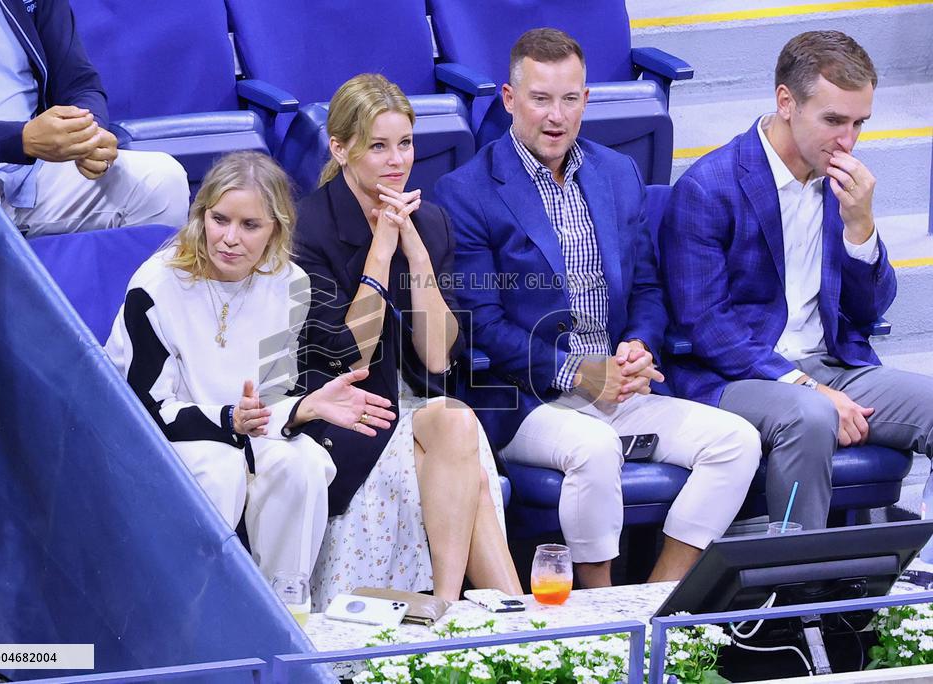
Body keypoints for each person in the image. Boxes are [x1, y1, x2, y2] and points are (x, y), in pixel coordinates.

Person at [436, 29, 762, 586]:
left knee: (737, 441)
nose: (556, 115)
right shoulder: (466, 191)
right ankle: (601, 611)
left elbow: (648, 288)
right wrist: (579, 373)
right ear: (510, 100)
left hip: (619, 386)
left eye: (569, 98)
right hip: (526, 399)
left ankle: (661, 600)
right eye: (540, 99)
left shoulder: (618, 173)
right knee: (595, 447)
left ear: (587, 99)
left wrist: (638, 345)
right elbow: (482, 327)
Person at [660, 30, 933, 531]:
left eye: (859, 123)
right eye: (833, 121)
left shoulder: (843, 183)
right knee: (810, 416)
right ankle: (796, 595)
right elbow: (705, 326)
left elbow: (871, 310)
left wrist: (861, 228)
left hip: (833, 363)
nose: (848, 141)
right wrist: (805, 385)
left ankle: (924, 577)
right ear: (786, 101)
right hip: (736, 377)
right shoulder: (708, 187)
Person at [106, 151, 396, 582]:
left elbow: (268, 402)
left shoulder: (290, 283)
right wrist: (229, 420)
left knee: (304, 463)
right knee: (221, 468)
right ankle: (198, 609)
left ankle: (285, 602)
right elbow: (142, 409)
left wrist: (305, 409)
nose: (229, 238)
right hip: (167, 438)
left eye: (250, 225)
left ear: (275, 228)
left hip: (239, 432)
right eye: (219, 219)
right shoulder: (156, 285)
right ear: (201, 215)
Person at [293, 73, 522, 609]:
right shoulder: (307, 229)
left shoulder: (433, 223)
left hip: (413, 406)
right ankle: (514, 613)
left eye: (405, 143)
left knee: (457, 420)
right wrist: (382, 249)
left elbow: (439, 357)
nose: (397, 160)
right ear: (340, 148)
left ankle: (446, 602)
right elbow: (352, 354)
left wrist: (417, 256)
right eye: (378, 146)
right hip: (342, 409)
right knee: (469, 468)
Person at [0, 0, 189, 235]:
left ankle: (131, 286)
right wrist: (19, 140)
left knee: (162, 181)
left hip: (35, 170)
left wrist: (89, 136)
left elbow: (80, 83)